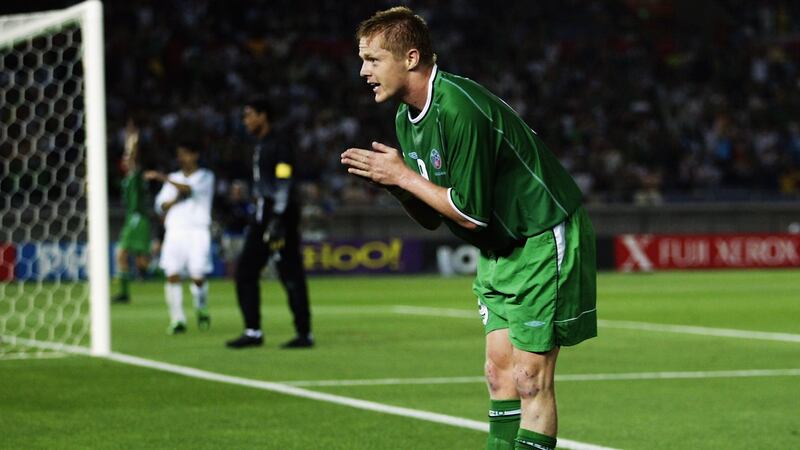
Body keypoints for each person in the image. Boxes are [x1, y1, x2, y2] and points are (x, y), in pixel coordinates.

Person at [341, 7, 597, 450]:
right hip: (497, 248)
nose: (363, 72)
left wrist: (403, 177)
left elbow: (469, 213)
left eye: (373, 60)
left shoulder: (458, 108)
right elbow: (432, 214)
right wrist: (396, 185)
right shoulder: (406, 119)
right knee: (498, 374)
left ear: (411, 57)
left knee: (529, 378)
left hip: (539, 234)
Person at [225, 98, 313, 349]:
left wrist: (278, 217)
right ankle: (255, 330)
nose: (245, 120)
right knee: (249, 272)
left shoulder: (279, 144)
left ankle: (302, 333)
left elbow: (284, 178)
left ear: (263, 116)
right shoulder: (259, 145)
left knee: (289, 273)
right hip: (264, 216)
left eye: (249, 115)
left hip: (277, 218)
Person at [146, 142, 215, 334]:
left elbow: (188, 190)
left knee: (198, 276)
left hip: (198, 231)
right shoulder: (174, 178)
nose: (182, 158)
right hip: (175, 231)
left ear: (195, 155)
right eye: (180, 155)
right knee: (172, 274)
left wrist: (161, 177)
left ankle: (201, 306)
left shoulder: (206, 177)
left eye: (186, 154)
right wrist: (173, 200)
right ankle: (178, 320)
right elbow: (160, 206)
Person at [112, 123, 152, 303]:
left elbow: (134, 156)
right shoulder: (128, 179)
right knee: (139, 259)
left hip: (137, 218)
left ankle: (124, 293)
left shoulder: (135, 176)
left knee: (122, 254)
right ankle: (128, 289)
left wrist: (132, 142)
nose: (126, 159)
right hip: (133, 218)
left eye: (128, 157)